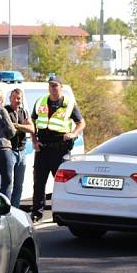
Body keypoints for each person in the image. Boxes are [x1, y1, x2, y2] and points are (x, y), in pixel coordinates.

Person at [30, 73, 85, 222]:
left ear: (61, 87)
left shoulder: (69, 103)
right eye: (50, 86)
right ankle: (37, 213)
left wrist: (73, 134)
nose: (53, 88)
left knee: (63, 183)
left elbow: (81, 123)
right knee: (39, 183)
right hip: (42, 149)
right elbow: (32, 123)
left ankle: (66, 211)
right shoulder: (40, 102)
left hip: (60, 149)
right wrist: (34, 141)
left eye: (55, 86)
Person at [5, 87, 35, 208]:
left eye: (18, 98)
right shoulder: (5, 111)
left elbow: (32, 129)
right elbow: (8, 129)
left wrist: (17, 125)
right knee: (8, 183)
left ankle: (15, 209)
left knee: (19, 185)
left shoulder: (24, 112)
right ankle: (6, 209)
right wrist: (23, 127)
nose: (16, 100)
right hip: (10, 151)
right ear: (10, 98)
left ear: (21, 100)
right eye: (14, 97)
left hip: (22, 152)